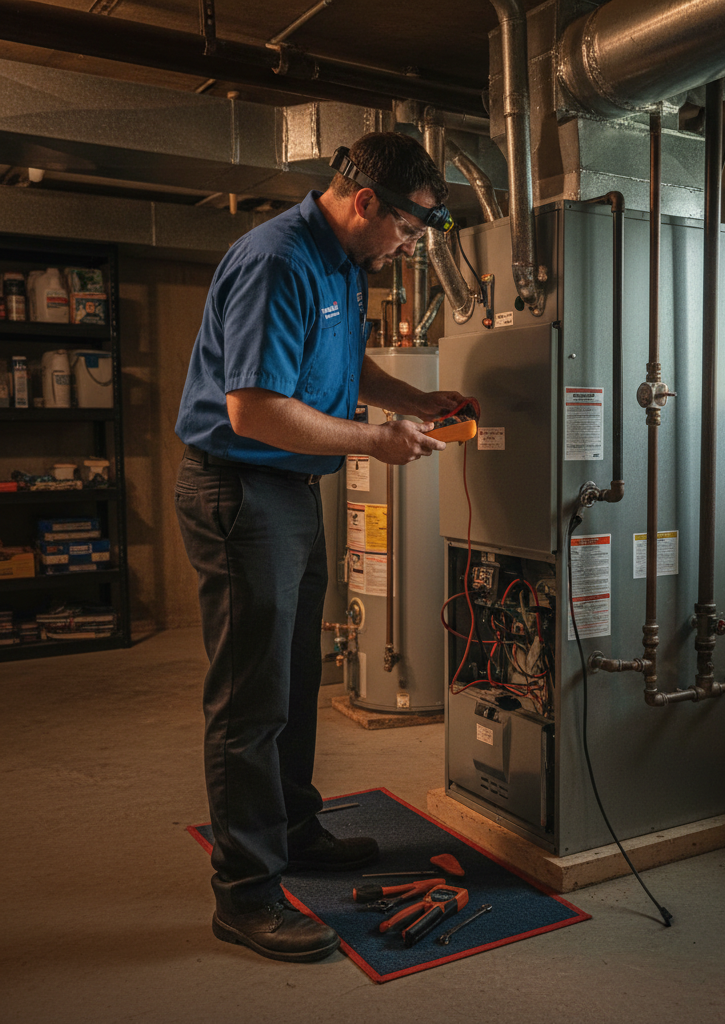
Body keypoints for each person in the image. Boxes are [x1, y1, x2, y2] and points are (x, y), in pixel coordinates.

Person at [174, 131, 469, 964]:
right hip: (241, 489)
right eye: (410, 228)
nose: (411, 245)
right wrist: (378, 442)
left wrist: (415, 395)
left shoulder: (344, 261)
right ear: (365, 200)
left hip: (292, 492)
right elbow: (255, 410)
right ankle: (246, 894)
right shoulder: (279, 259)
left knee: (298, 681)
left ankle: (294, 831)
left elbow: (340, 363)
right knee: (249, 703)